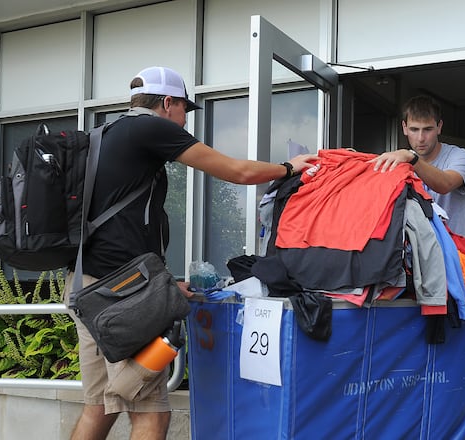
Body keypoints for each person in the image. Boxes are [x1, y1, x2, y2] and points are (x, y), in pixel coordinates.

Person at [63, 66, 318, 440]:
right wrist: (286, 167)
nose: (184, 119)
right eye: (185, 109)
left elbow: (121, 229)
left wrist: (161, 286)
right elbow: (236, 171)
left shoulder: (103, 134)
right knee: (151, 412)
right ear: (168, 103)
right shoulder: (152, 127)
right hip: (122, 293)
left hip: (85, 285)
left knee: (99, 405)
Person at [371, 95, 465, 240]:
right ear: (404, 128)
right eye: (414, 129)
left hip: (460, 254)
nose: (421, 138)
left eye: (427, 129)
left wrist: (411, 159)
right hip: (420, 256)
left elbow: (445, 184)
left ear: (439, 127)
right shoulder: (399, 162)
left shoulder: (462, 157)